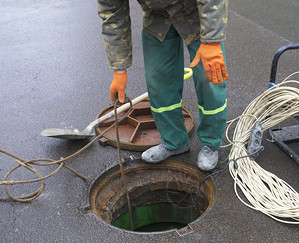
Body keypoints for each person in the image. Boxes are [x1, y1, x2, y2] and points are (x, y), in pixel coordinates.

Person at [97, 0, 229, 171]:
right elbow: (112, 13)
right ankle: (174, 142)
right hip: (157, 18)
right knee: (159, 82)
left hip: (196, 13)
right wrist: (119, 69)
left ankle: (211, 144)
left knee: (209, 79)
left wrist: (212, 41)